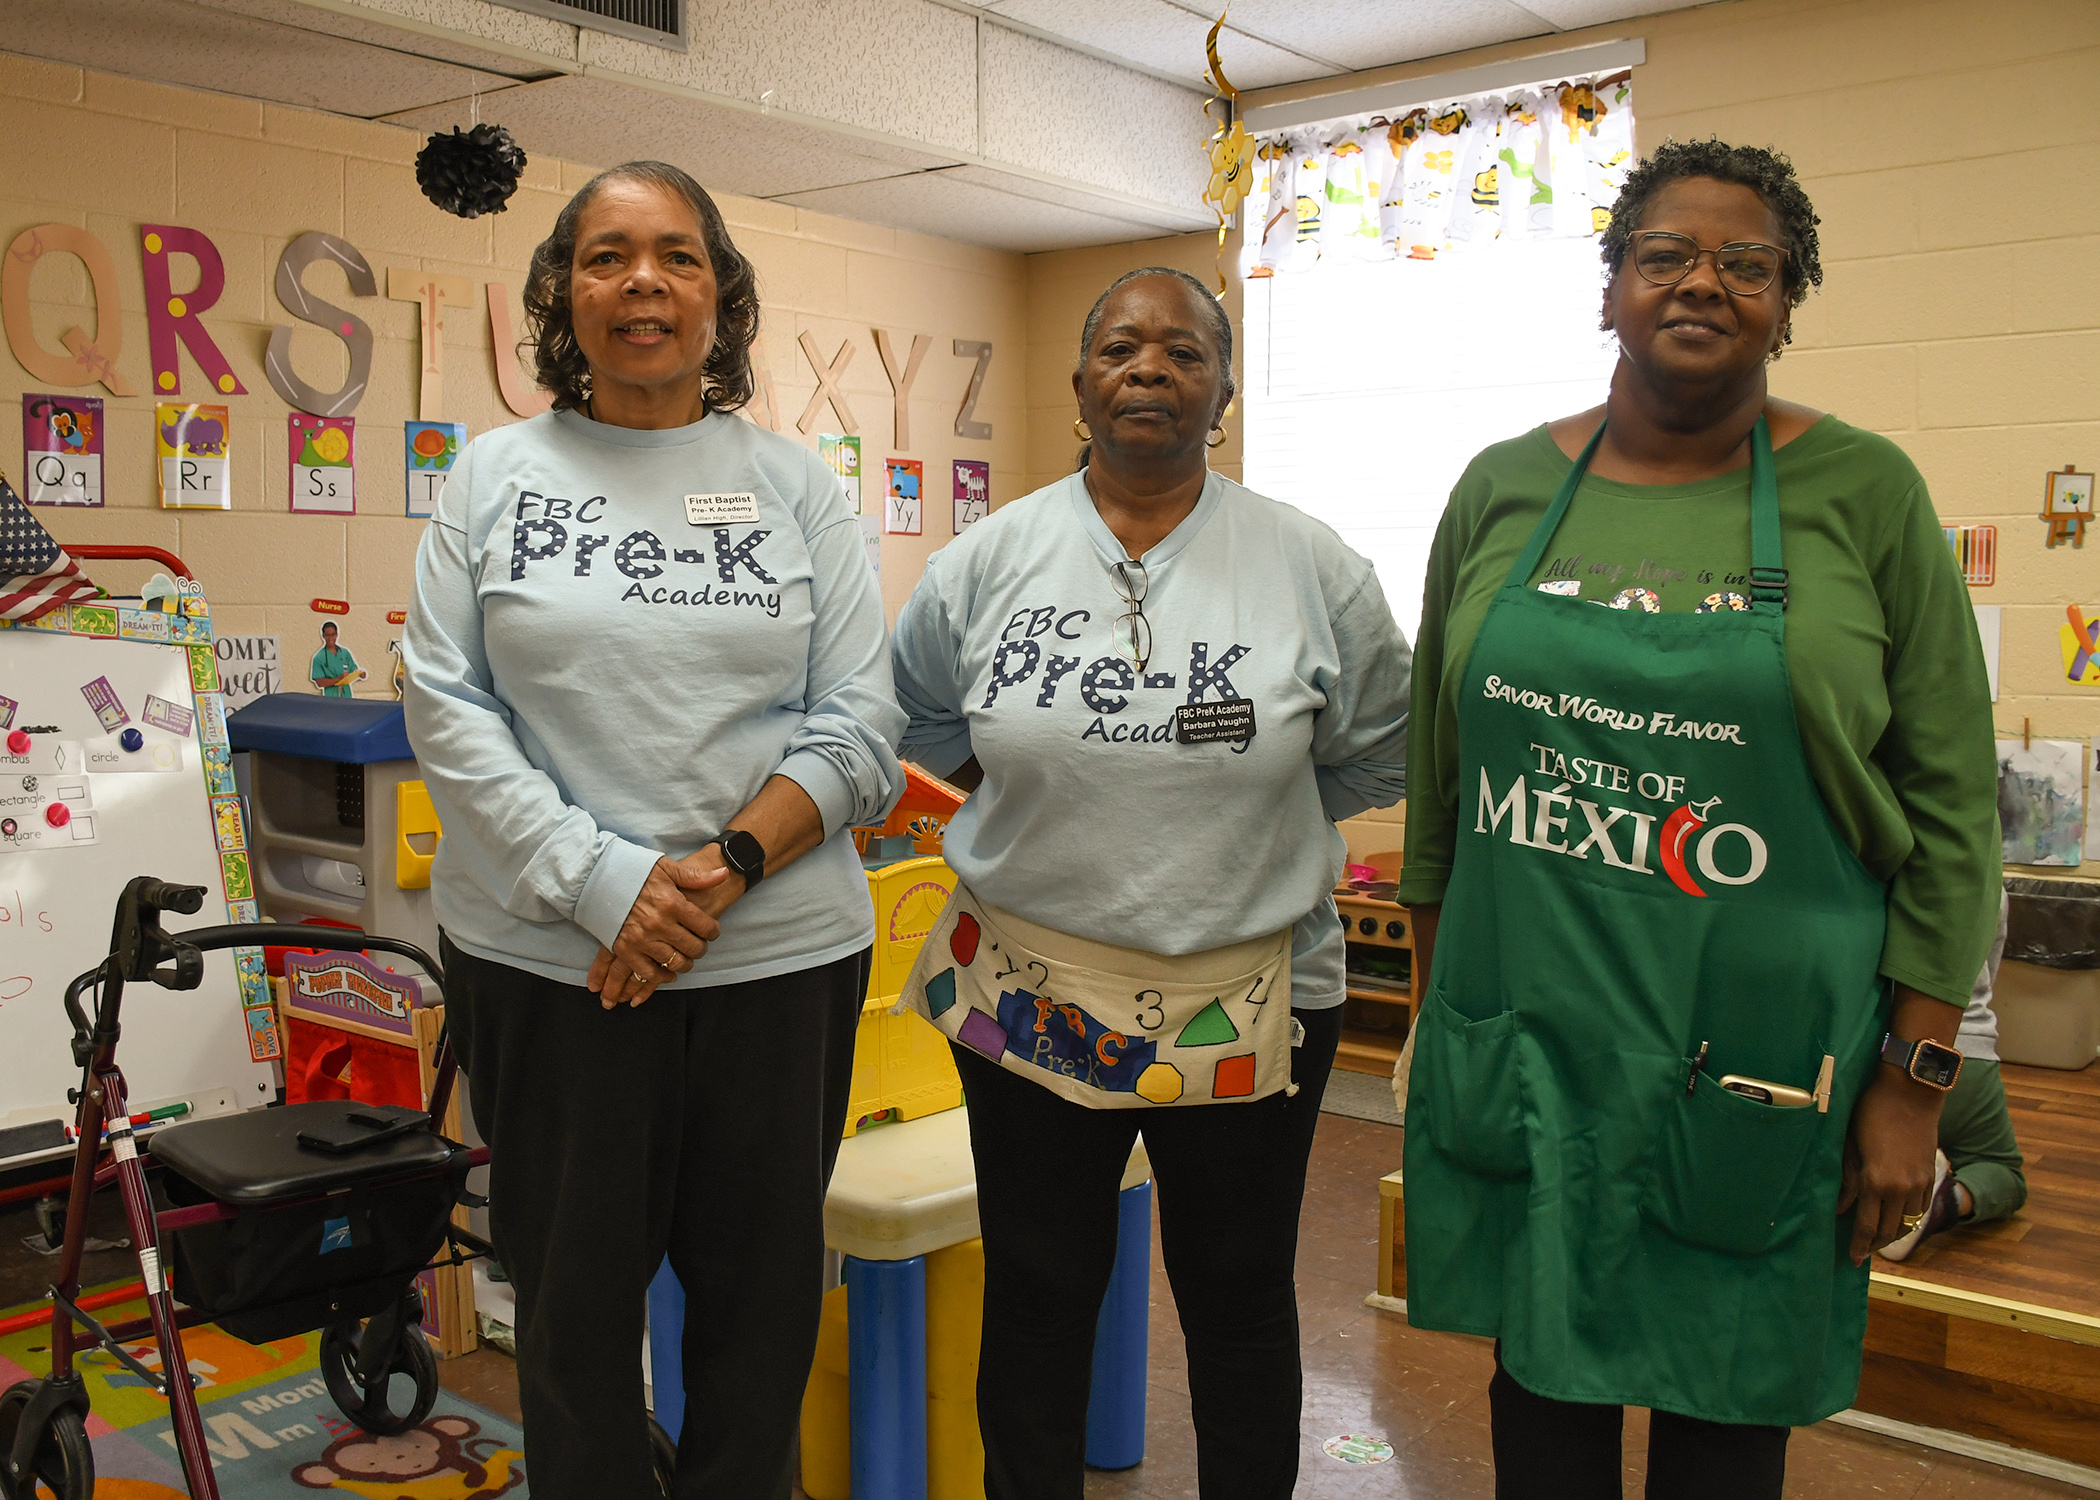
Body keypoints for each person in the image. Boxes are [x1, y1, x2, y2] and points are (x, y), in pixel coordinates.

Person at [1397, 139, 2001, 1499]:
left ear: (1788, 305)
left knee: (1726, 1413)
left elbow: (1957, 816)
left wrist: (1913, 1086)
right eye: (1664, 253)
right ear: (1610, 286)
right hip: (1534, 1043)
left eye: (1749, 264)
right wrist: (1442, 1027)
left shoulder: (1868, 494)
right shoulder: (1499, 488)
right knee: (1538, 1402)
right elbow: (1441, 788)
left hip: (1762, 1054)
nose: (1703, 282)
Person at [402, 159, 904, 1499]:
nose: (644, 282)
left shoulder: (797, 490)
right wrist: (604, 886)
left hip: (777, 964)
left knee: (760, 1322)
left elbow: (861, 724)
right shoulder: (489, 479)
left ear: (720, 296)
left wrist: (715, 875)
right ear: (563, 294)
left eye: (678, 256)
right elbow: (447, 708)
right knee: (571, 1323)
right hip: (550, 967)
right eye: (609, 255)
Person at [890, 265, 1412, 1500]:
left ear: (1222, 392)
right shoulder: (988, 561)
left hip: (1256, 990)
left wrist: (1254, 820)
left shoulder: (1308, 566)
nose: (1150, 370)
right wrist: (1040, 796)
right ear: (1079, 385)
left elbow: (1386, 744)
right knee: (1037, 1289)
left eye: (1184, 353)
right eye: (1122, 349)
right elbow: (912, 720)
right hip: (1027, 992)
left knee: (1235, 1295)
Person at [1882, 893, 2026, 1258]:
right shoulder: (1992, 887)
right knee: (2001, 1169)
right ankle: (1947, 1201)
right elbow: (1989, 971)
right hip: (1966, 1055)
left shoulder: (1870, 864)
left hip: (1885, 1053)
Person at [309, 621, 363, 696]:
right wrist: (339, 679)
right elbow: (319, 683)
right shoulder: (318, 657)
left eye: (333, 634)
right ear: (323, 636)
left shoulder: (344, 653)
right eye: (327, 635)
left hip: (346, 695)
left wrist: (360, 674)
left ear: (337, 635)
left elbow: (353, 669)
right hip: (331, 697)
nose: (330, 638)